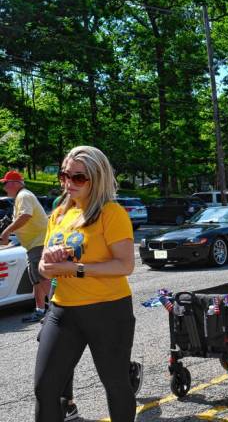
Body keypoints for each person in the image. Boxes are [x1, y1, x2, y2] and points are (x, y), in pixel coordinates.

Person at [35, 146, 136, 422]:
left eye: (78, 178)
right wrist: (49, 266)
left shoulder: (111, 213)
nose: (69, 183)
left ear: (97, 178)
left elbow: (125, 265)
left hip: (108, 311)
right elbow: (45, 266)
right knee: (46, 388)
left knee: (116, 385)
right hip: (63, 311)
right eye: (64, 175)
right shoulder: (58, 215)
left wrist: (74, 268)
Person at [0, 170, 51, 323]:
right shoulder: (21, 197)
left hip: (39, 243)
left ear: (15, 184)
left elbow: (25, 216)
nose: (4, 188)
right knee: (36, 278)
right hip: (33, 245)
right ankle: (40, 310)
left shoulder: (24, 196)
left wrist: (7, 231)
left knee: (42, 277)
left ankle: (59, 310)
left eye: (6, 184)